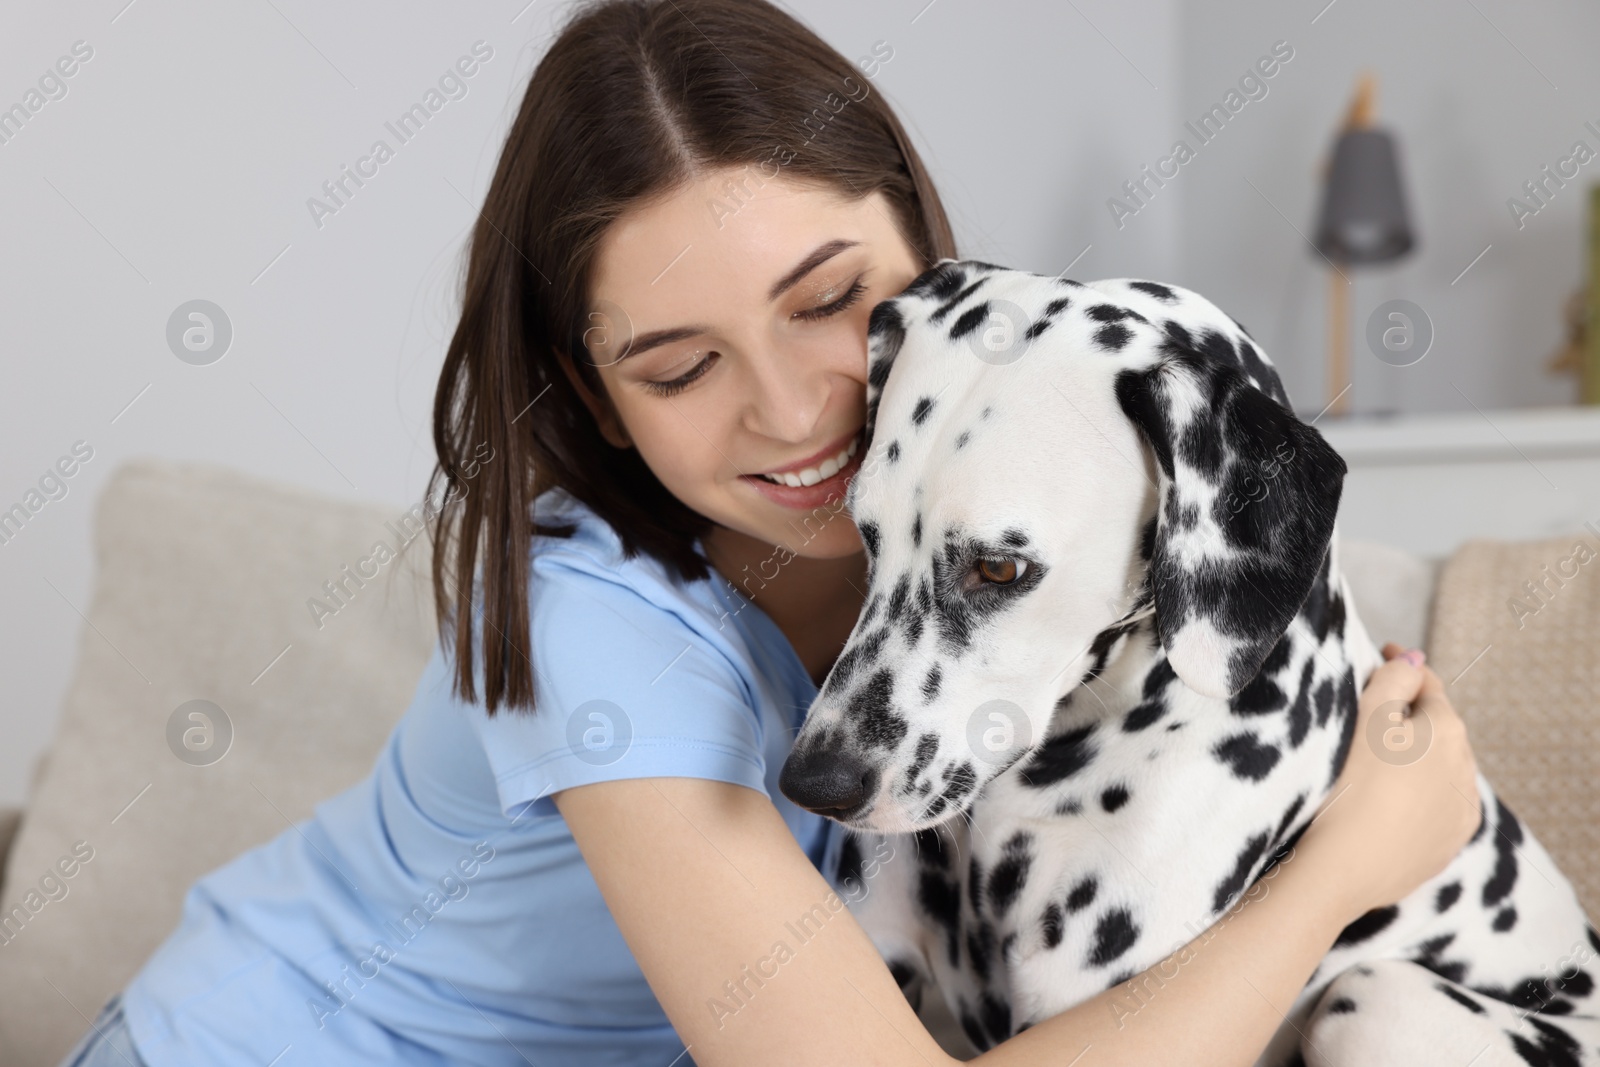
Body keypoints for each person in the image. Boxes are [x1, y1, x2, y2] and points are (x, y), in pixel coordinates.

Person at [57, 1, 1484, 1064]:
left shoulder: (1000, 531)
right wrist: (1342, 872)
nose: (796, 411)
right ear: (600, 407)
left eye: (826, 303)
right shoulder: (599, 636)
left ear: (927, 258)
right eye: (680, 368)